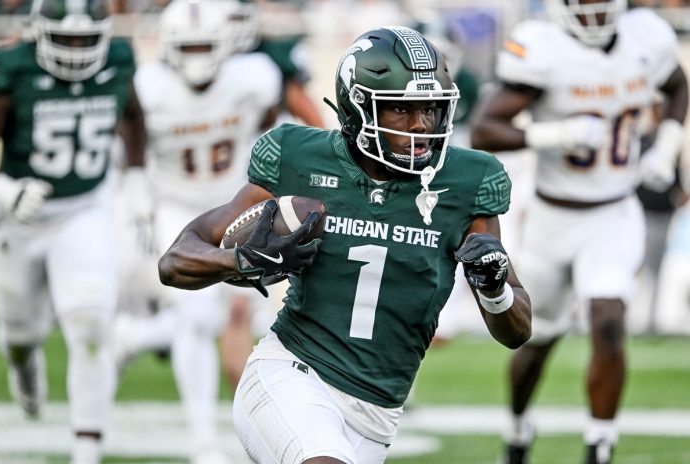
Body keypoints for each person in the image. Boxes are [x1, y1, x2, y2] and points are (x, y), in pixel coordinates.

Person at [158, 26, 532, 464]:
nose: (420, 125)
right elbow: (176, 259)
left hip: (377, 417)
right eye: (401, 110)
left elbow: (517, 330)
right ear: (357, 108)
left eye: (431, 109)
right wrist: (239, 259)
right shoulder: (300, 158)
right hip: (293, 376)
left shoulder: (466, 182)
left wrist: (494, 287)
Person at [470, 1, 688, 463]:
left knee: (609, 322)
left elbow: (676, 85)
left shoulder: (645, 38)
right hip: (552, 216)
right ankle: (517, 428)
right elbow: (486, 128)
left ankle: (599, 447)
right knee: (536, 336)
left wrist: (666, 147)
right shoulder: (543, 48)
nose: (593, 11)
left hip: (614, 211)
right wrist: (557, 134)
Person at [112, 0, 281, 463]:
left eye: (205, 43)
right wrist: (136, 204)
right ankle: (203, 444)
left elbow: (267, 131)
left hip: (233, 206)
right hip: (175, 208)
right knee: (197, 316)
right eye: (188, 46)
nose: (197, 55)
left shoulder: (254, 77)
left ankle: (136, 337)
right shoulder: (151, 88)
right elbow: (128, 144)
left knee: (252, 318)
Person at [0, 0, 146, 462]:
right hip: (20, 217)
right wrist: (4, 190)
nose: (77, 50)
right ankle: (23, 363)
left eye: (86, 39)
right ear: (38, 34)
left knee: (90, 321)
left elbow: (135, 119)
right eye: (66, 39)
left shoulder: (118, 61)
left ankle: (86, 452)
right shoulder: (11, 70)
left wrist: (136, 180)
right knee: (19, 332)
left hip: (84, 209)